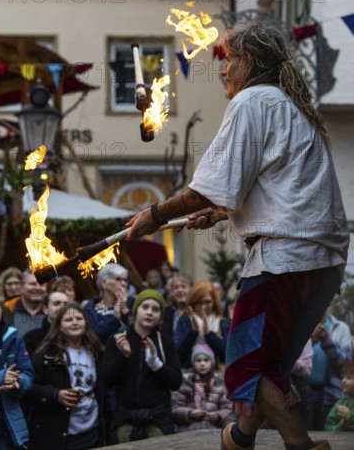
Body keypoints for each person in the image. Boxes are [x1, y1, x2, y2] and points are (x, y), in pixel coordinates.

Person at [125, 22, 350, 450]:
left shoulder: (252, 101)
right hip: (323, 260)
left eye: (229, 60)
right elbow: (281, 196)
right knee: (273, 361)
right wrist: (221, 211)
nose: (223, 71)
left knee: (250, 365)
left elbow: (208, 186)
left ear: (251, 62)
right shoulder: (289, 105)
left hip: (284, 258)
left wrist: (155, 214)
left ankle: (302, 447)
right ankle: (242, 437)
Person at [101, 289, 182, 444]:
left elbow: (176, 382)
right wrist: (123, 356)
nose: (150, 312)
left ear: (160, 317)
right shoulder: (118, 339)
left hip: (157, 420)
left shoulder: (165, 342)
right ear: (136, 311)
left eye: (155, 309)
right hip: (125, 419)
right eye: (145, 307)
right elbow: (105, 381)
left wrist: (156, 364)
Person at [27, 303, 103, 450]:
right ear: (59, 327)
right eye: (69, 320)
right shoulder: (47, 355)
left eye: (79, 318)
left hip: (92, 431)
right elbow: (29, 388)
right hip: (61, 435)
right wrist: (56, 395)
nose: (75, 322)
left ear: (86, 324)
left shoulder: (95, 351)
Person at [0, 290, 34, 449]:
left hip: (9, 423)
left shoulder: (14, 337)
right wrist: (0, 378)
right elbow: (2, 377)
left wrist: (18, 383)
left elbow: (28, 375)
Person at [308, 307, 352, 430]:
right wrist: (310, 341)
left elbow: (345, 365)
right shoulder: (303, 324)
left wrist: (326, 340)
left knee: (328, 434)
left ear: (331, 305)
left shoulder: (341, 328)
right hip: (304, 394)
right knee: (303, 436)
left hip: (331, 395)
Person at [172, 343, 233, 431]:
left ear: (212, 362)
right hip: (189, 432)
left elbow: (228, 408)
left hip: (213, 432)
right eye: (198, 360)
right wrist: (190, 413)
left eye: (206, 360)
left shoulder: (220, 383)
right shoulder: (185, 383)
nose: (202, 364)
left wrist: (219, 415)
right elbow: (175, 408)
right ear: (193, 363)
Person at [177, 280, 230, 368]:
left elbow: (227, 355)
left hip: (217, 377)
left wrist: (208, 334)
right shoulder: (185, 321)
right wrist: (193, 332)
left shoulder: (223, 322)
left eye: (207, 302)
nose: (203, 306)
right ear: (192, 303)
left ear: (214, 302)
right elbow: (178, 356)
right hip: (189, 375)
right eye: (199, 302)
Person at [84, 264, 133, 344]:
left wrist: (126, 312)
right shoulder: (90, 310)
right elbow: (93, 338)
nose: (124, 284)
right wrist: (115, 318)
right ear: (104, 283)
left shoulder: (133, 303)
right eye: (118, 279)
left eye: (125, 280)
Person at [3, 269, 47, 337]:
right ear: (21, 286)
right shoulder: (8, 309)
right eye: (33, 284)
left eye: (42, 284)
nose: (38, 288)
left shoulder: (52, 311)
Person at [24, 290, 69, 356]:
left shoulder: (77, 335)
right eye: (56, 303)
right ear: (45, 309)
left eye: (66, 304)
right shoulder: (32, 338)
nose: (62, 307)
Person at [161, 274, 193, 348]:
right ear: (172, 291)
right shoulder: (165, 313)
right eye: (176, 287)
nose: (180, 290)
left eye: (183, 287)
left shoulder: (198, 311)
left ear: (191, 290)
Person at [325, 360, 354, 431]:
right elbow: (328, 427)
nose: (343, 380)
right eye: (342, 377)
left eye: (349, 377)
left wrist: (350, 417)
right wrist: (341, 425)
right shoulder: (341, 403)